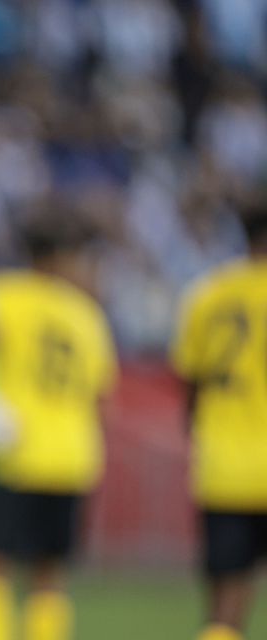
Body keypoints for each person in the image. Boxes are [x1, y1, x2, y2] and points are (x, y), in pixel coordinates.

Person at [0, 213, 118, 640]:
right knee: (50, 573)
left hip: (14, 452)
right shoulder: (86, 313)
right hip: (72, 457)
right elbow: (102, 394)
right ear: (64, 258)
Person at [169, 198, 267, 640]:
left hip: (225, 466)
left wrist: (200, 427)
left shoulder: (207, 293)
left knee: (225, 600)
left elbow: (190, 379)